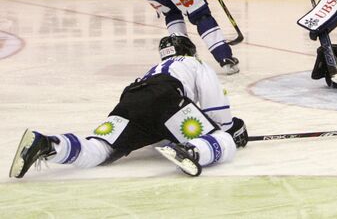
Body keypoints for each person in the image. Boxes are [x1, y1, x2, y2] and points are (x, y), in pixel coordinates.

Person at [9, 34, 248, 178]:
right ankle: (193, 151)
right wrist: (231, 130)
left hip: (131, 99)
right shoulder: (193, 62)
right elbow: (217, 114)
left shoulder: (153, 70)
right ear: (190, 51)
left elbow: (158, 122)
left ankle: (49, 144)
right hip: (166, 96)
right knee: (224, 143)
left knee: (100, 149)